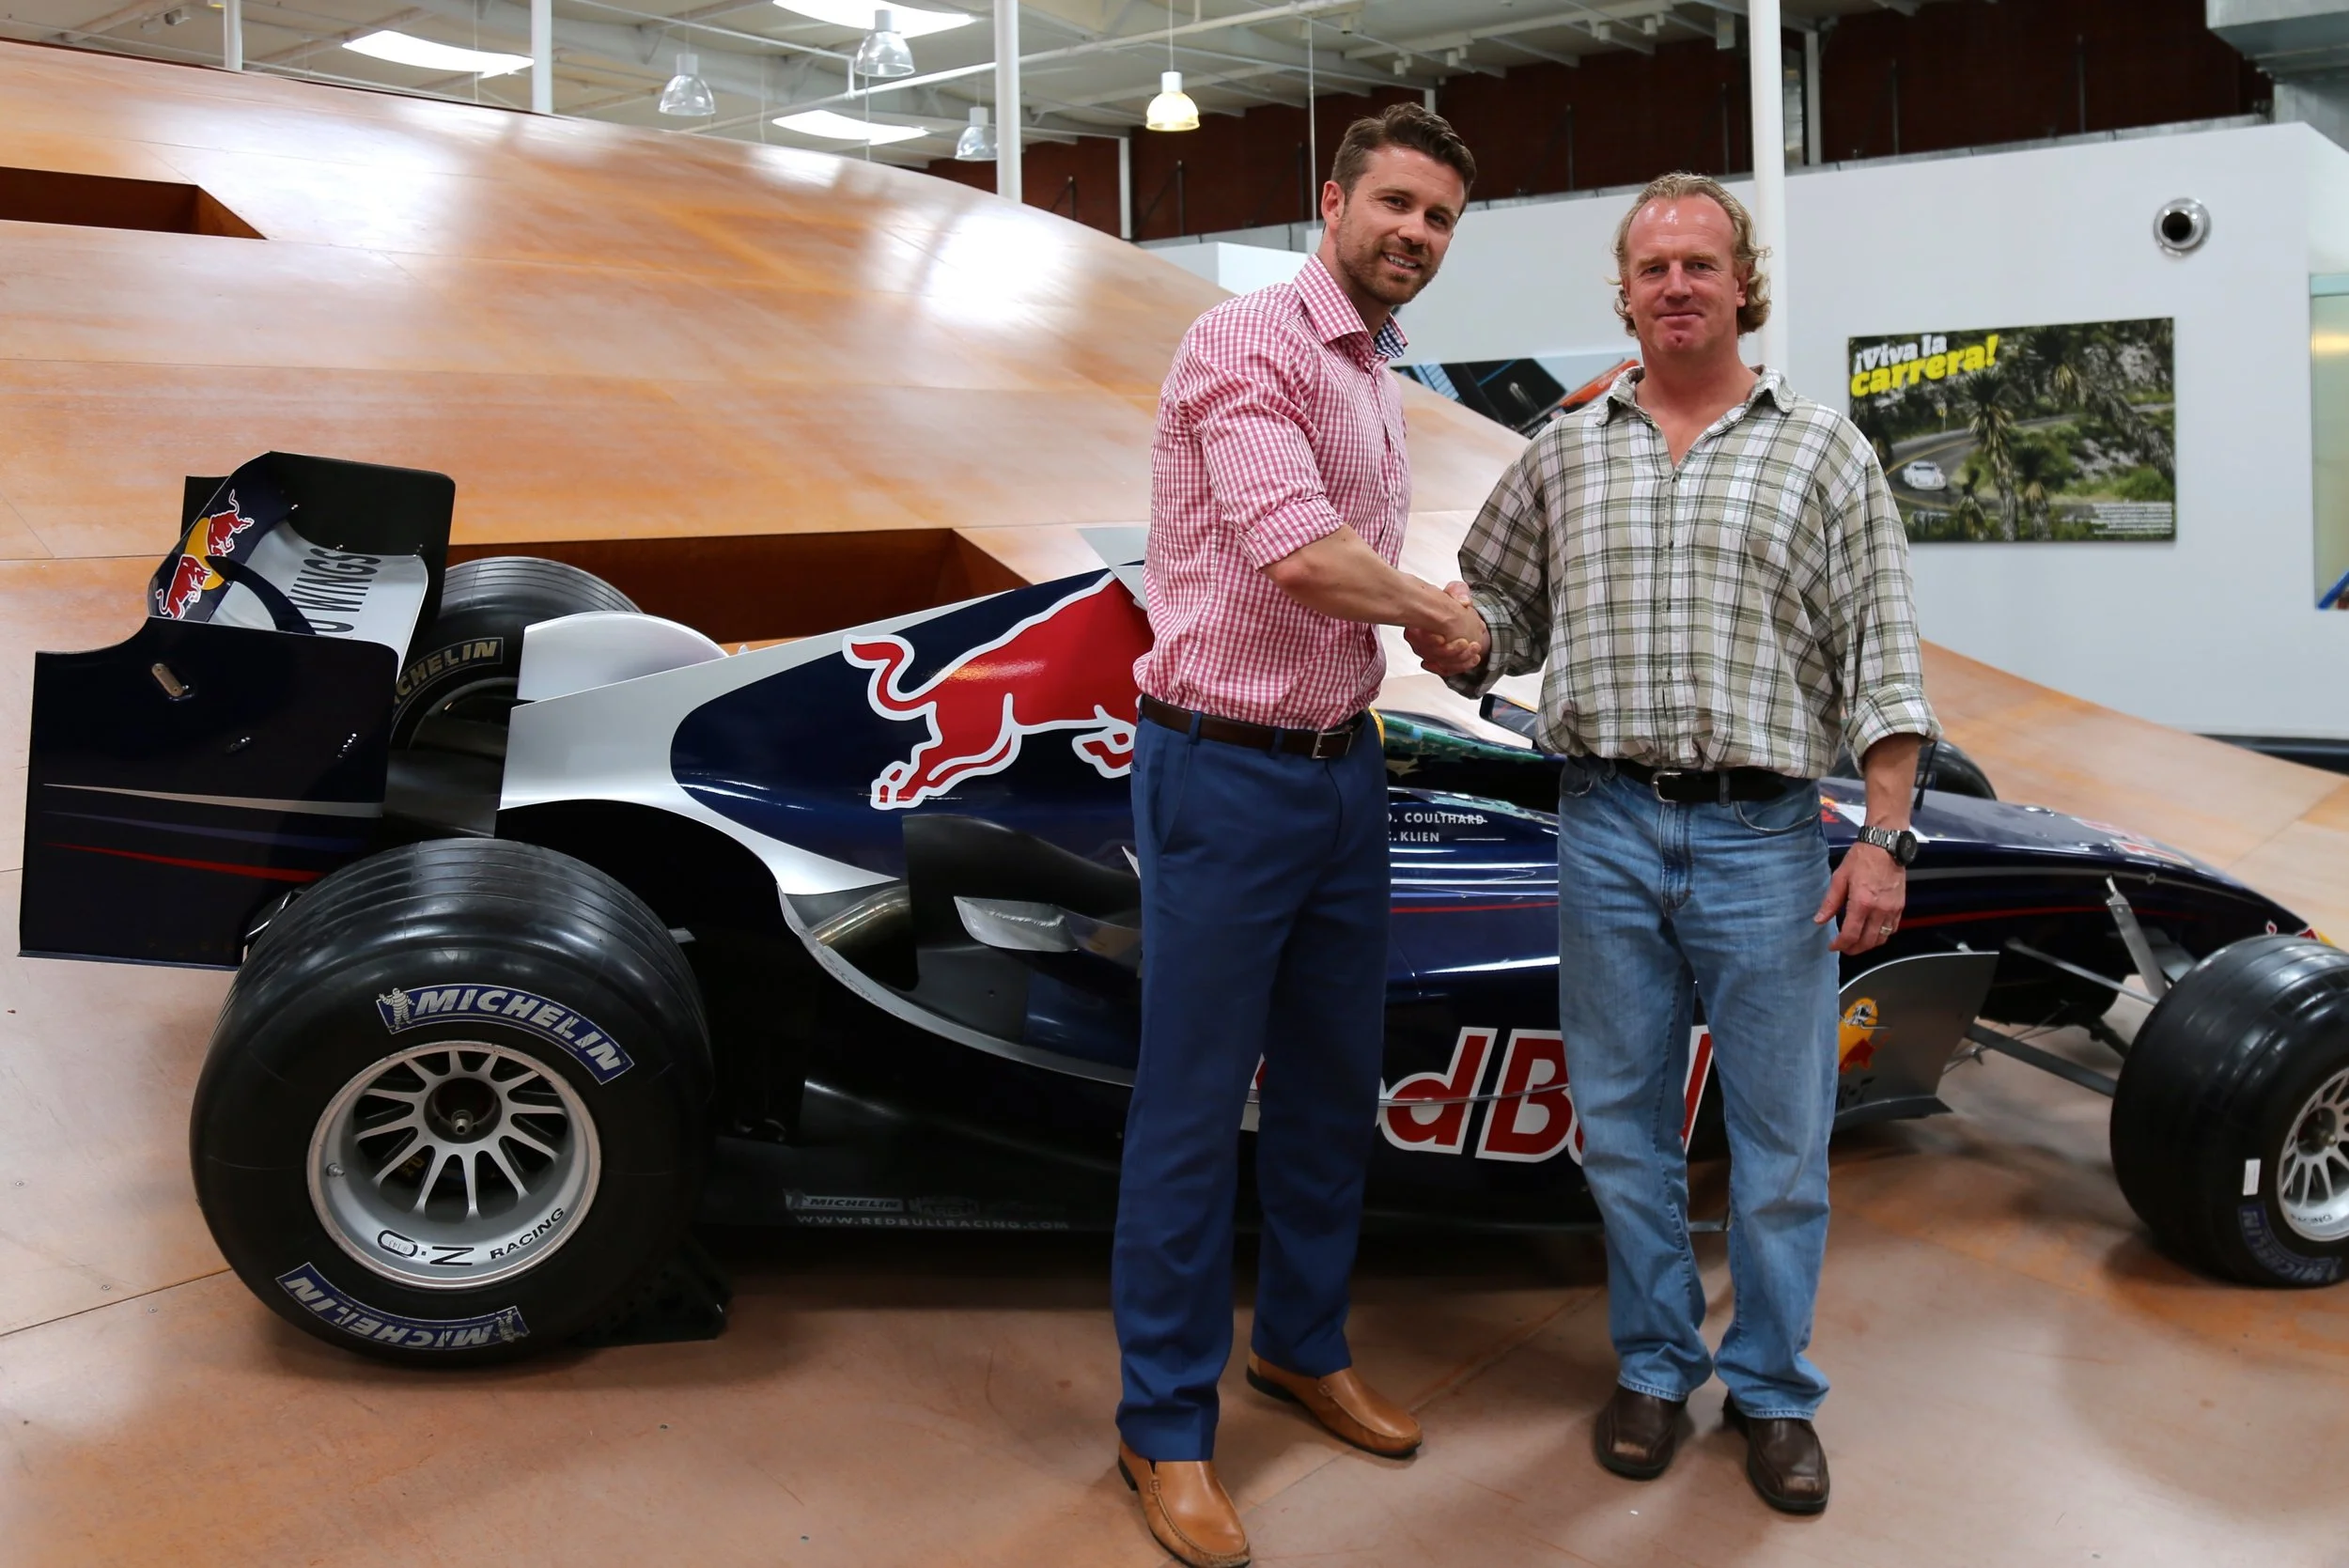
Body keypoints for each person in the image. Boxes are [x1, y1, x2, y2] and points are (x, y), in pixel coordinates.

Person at [1415, 171, 1937, 1517]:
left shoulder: (1824, 452)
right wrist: (1429, 618)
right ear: (1628, 293)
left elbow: (1883, 660)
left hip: (1769, 839)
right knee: (1626, 1132)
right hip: (1603, 827)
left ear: (1741, 285)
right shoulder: (1566, 453)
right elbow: (1497, 612)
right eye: (1654, 269)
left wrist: (1884, 838)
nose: (1678, 287)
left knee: (1779, 1141)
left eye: (1701, 264)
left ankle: (1771, 1392)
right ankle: (1653, 1365)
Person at [1113, 103, 1486, 1568]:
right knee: (1195, 1112)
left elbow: (1349, 578)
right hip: (1224, 773)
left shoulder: (1375, 367)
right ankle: (1164, 1429)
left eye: (1441, 218)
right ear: (1331, 200)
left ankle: (1304, 1346)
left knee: (1334, 1090)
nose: (1415, 234)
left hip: (1339, 771)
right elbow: (1300, 554)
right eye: (1395, 203)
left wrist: (1424, 643)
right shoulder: (1250, 342)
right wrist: (1443, 616)